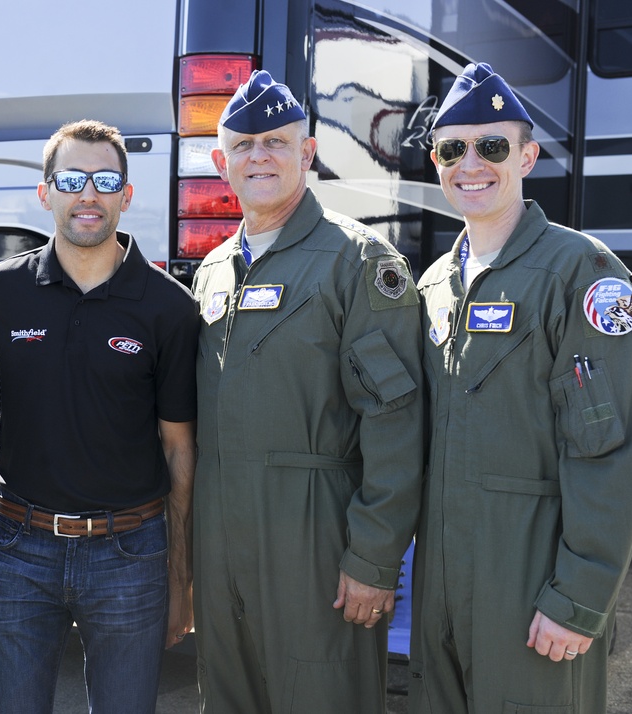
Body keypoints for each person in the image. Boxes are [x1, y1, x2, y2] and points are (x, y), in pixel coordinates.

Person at [410, 62, 632, 713]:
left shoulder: (581, 271)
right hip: (440, 584)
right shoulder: (435, 283)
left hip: (530, 579)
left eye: (492, 146)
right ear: (435, 161)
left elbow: (617, 451)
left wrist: (578, 599)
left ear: (528, 155)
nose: (472, 163)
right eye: (452, 148)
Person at [0, 119, 199, 713]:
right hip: (17, 547)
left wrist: (180, 577)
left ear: (126, 196)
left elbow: (179, 449)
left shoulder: (169, 309)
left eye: (106, 179)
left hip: (131, 554)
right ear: (46, 192)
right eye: (72, 179)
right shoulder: (1, 290)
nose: (89, 194)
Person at [190, 70, 424, 712]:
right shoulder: (212, 270)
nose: (258, 155)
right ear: (221, 161)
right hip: (221, 537)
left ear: (307, 152)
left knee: (321, 695)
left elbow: (395, 418)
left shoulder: (357, 262)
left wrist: (374, 557)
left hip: (315, 538)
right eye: (243, 145)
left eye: (275, 142)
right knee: (228, 694)